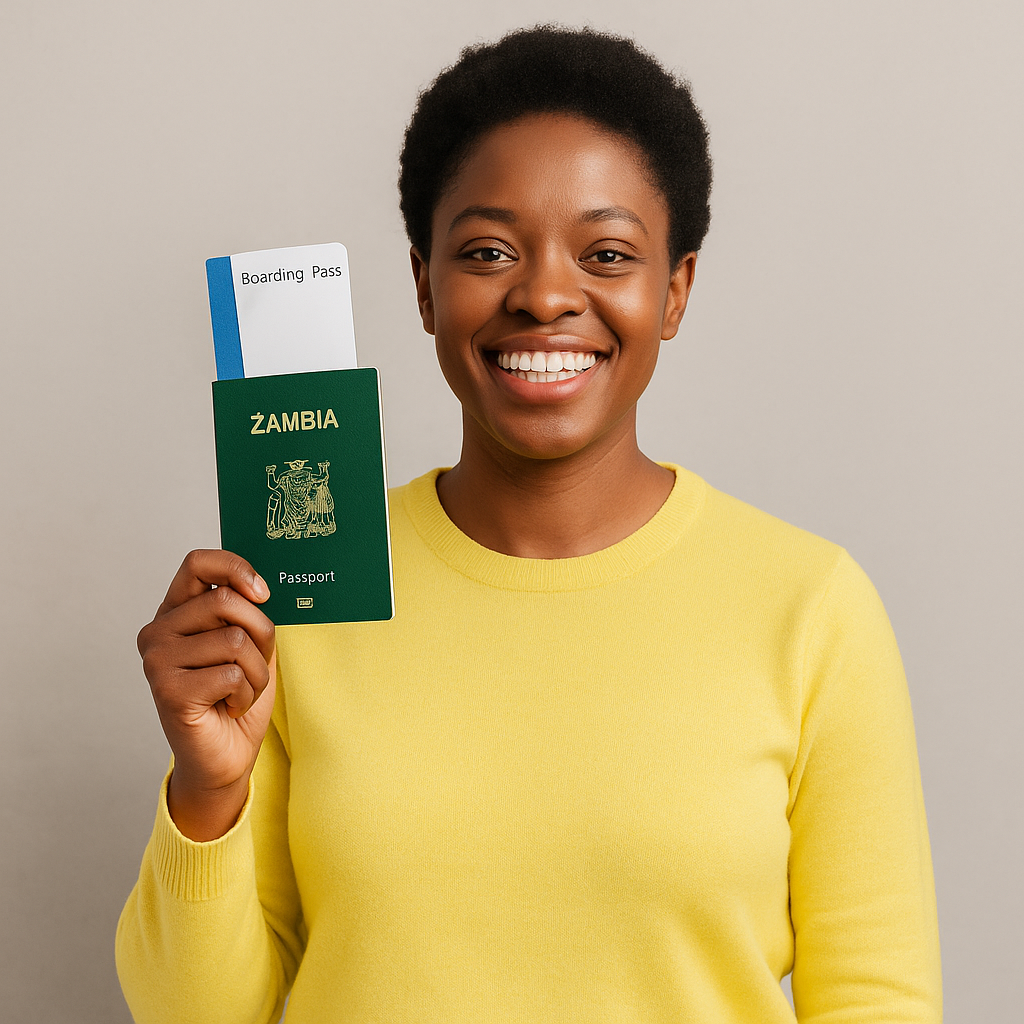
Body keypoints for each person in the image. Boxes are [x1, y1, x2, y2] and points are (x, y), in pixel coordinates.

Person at [116, 25, 942, 1024]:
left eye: (605, 253)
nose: (546, 294)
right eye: (488, 250)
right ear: (424, 285)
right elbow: (195, 1015)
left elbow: (878, 1002)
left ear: (673, 290)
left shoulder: (811, 609)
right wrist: (207, 795)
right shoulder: (304, 593)